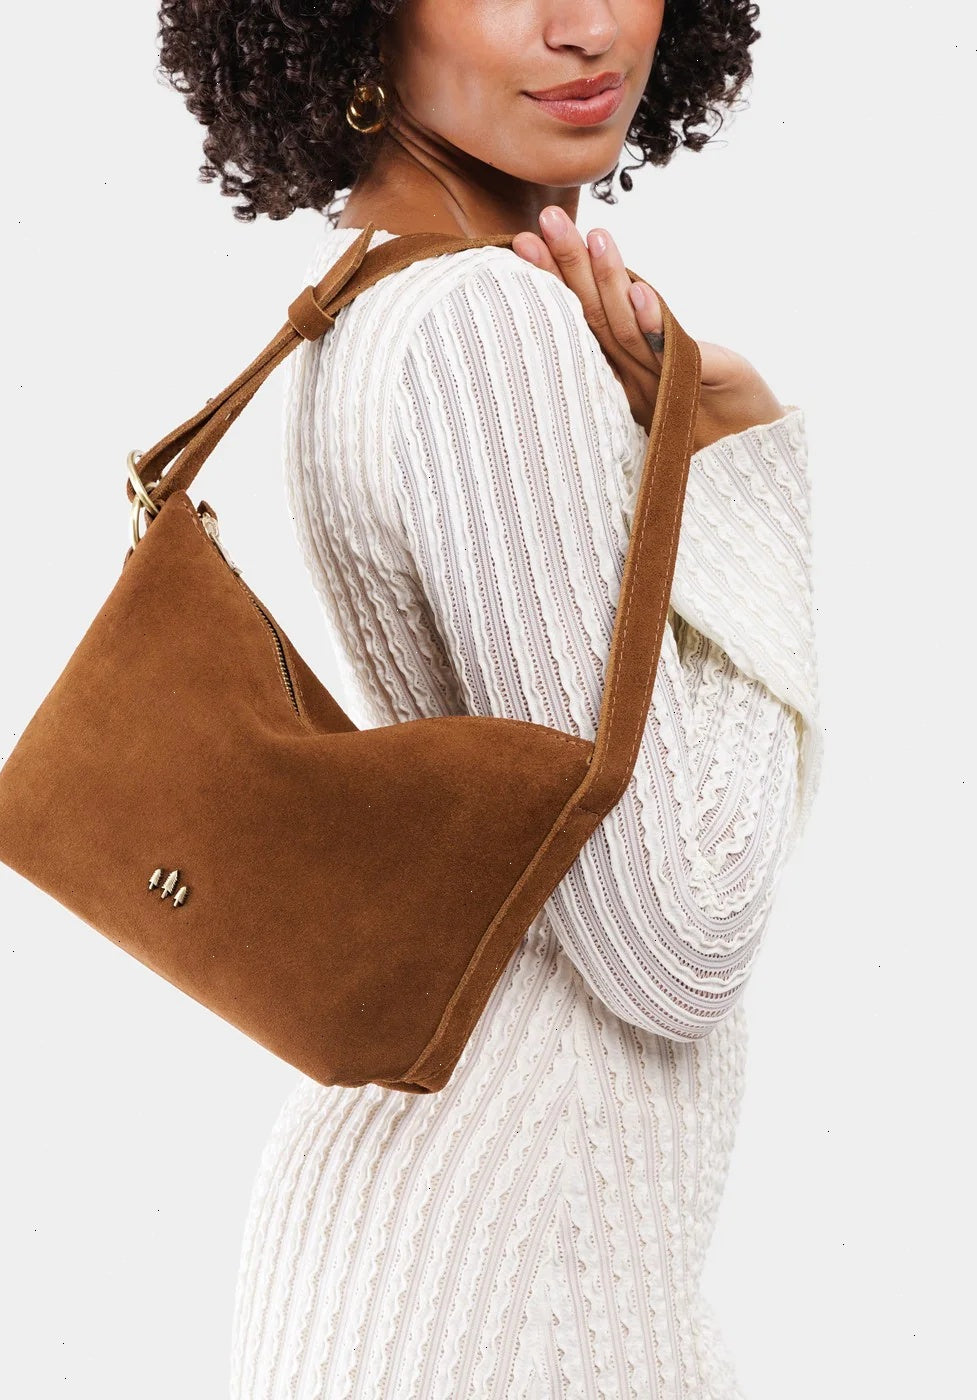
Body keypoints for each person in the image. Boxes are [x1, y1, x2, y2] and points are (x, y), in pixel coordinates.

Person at [157, 1, 823, 1394]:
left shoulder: (375, 300)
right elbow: (677, 948)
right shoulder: (483, 325)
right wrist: (743, 472)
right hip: (502, 1282)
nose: (585, 27)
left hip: (482, 1262)